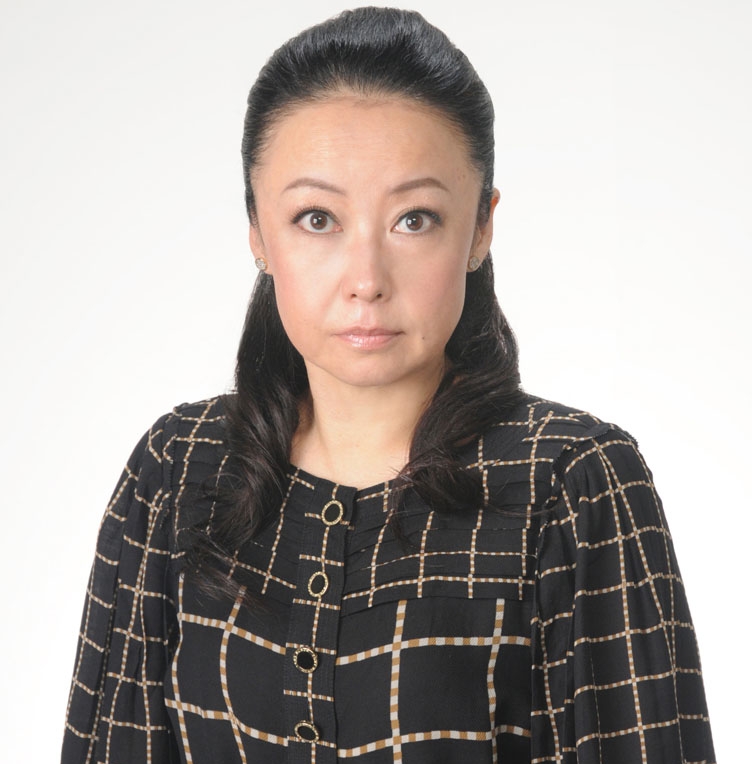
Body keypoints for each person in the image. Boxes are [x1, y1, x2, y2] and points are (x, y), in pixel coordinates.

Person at [61, 7, 715, 763]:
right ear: (257, 232)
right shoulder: (178, 471)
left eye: (415, 219)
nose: (366, 279)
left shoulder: (570, 482)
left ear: (480, 228)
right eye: (316, 218)